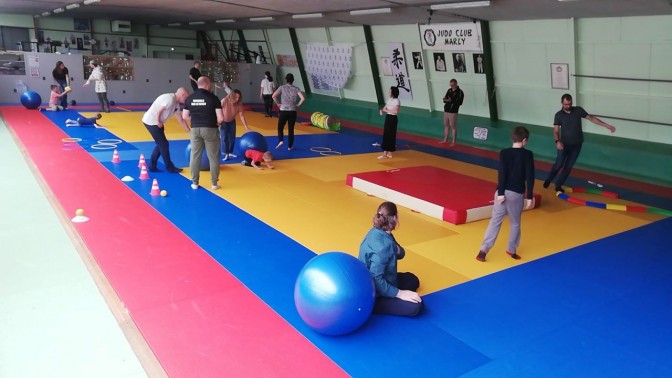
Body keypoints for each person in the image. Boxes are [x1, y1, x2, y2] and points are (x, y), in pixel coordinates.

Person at [476, 126, 536, 262]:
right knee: (515, 223)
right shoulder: (527, 155)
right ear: (524, 140)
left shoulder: (504, 153)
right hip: (516, 194)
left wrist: (501, 193)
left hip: (501, 193)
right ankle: (511, 249)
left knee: (495, 222)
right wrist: (529, 196)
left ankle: (483, 249)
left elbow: (502, 173)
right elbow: (530, 177)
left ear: (512, 138)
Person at [358, 201, 423, 317]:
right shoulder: (383, 247)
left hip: (384, 277)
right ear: (395, 218)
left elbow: (401, 253)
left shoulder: (378, 231)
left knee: (413, 280)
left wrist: (394, 249)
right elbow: (376, 278)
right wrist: (400, 293)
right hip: (374, 291)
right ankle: (375, 305)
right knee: (417, 307)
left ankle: (392, 293)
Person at [543, 93, 616, 193]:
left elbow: (592, 118)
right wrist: (557, 141)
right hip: (564, 144)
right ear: (561, 103)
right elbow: (555, 131)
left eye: (569, 104)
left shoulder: (578, 110)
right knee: (559, 163)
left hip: (577, 145)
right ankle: (549, 179)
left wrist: (607, 126)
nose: (567, 106)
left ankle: (558, 184)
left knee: (568, 166)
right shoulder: (558, 115)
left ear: (572, 102)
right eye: (565, 104)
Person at [182, 77, 224, 190]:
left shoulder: (190, 98)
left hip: (195, 129)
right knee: (213, 157)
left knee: (195, 156)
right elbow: (220, 118)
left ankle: (194, 183)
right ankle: (214, 184)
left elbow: (184, 116)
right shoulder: (213, 98)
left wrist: (196, 119)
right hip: (210, 129)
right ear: (206, 84)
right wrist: (213, 122)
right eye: (210, 83)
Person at [142, 87, 191, 173]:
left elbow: (181, 120)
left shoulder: (176, 104)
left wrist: (190, 131)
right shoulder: (169, 99)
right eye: (186, 98)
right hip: (152, 122)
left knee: (161, 144)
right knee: (163, 145)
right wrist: (158, 122)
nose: (186, 100)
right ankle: (170, 167)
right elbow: (158, 112)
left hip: (156, 122)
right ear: (182, 95)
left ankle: (152, 165)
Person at [272, 73, 305, 150]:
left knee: (280, 127)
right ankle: (290, 146)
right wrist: (297, 105)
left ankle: (281, 141)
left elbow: (273, 96)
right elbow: (303, 98)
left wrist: (278, 104)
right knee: (291, 129)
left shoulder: (282, 87)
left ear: (286, 80)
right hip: (292, 111)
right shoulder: (296, 88)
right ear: (293, 80)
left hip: (283, 110)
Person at [220, 89, 251, 161]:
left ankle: (230, 152)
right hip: (223, 121)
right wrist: (218, 121)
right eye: (235, 97)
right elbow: (218, 110)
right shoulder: (224, 100)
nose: (237, 99)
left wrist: (246, 126)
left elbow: (241, 116)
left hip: (232, 121)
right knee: (224, 138)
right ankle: (226, 153)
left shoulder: (239, 104)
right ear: (231, 96)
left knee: (232, 138)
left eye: (238, 98)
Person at [378, 86, 400, 159]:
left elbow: (396, 111)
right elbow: (384, 108)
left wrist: (387, 110)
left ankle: (390, 152)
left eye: (390, 91)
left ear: (393, 92)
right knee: (386, 134)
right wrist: (382, 111)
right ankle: (385, 152)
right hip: (388, 117)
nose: (388, 92)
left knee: (391, 134)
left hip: (393, 118)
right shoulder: (389, 100)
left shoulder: (396, 101)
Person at [441, 79, 464, 146]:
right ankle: (445, 139)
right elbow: (445, 99)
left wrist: (450, 100)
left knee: (453, 125)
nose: (452, 86)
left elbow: (460, 102)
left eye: (453, 85)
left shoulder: (460, 92)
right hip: (446, 109)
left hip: (453, 111)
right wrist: (447, 100)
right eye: (451, 85)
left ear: (456, 84)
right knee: (446, 125)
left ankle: (453, 141)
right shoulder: (449, 90)